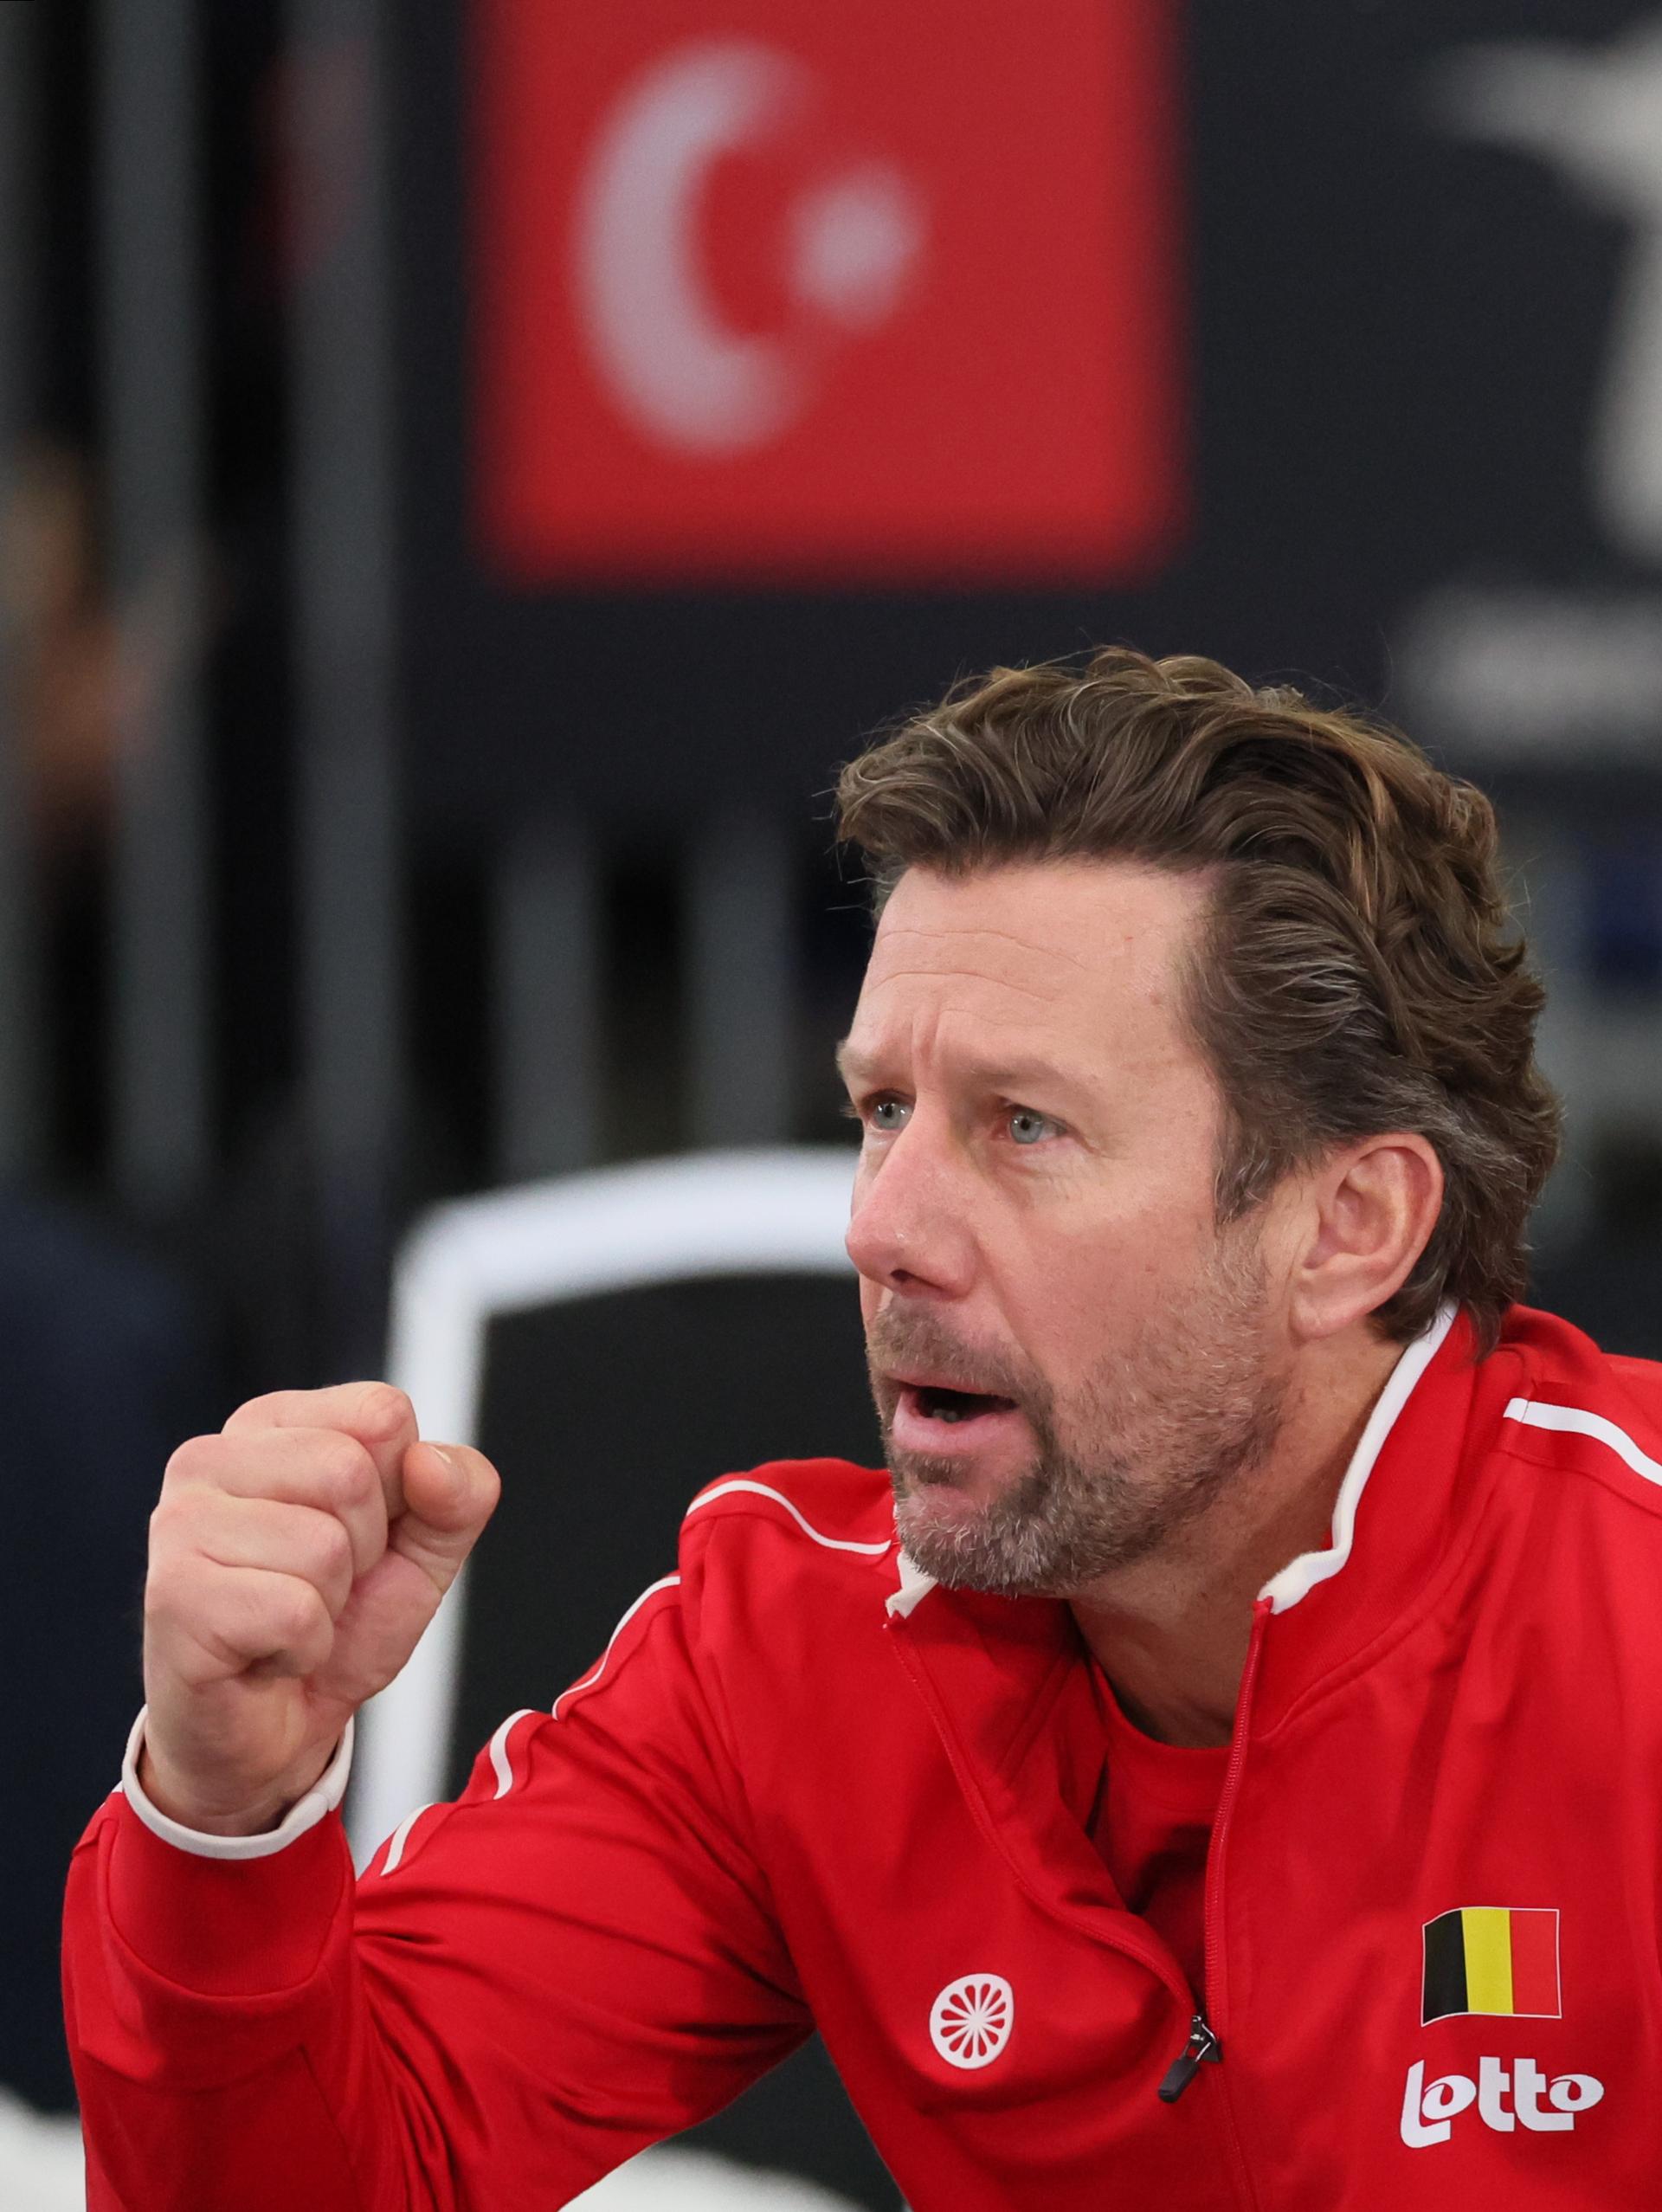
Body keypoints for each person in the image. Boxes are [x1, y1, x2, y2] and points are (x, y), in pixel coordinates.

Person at [62, 648, 1660, 2207]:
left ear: (1347, 1227)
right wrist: (221, 1822)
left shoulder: (1629, 1603)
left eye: (1023, 1127)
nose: (882, 1226)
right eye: (882, 1111)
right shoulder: (791, 1649)